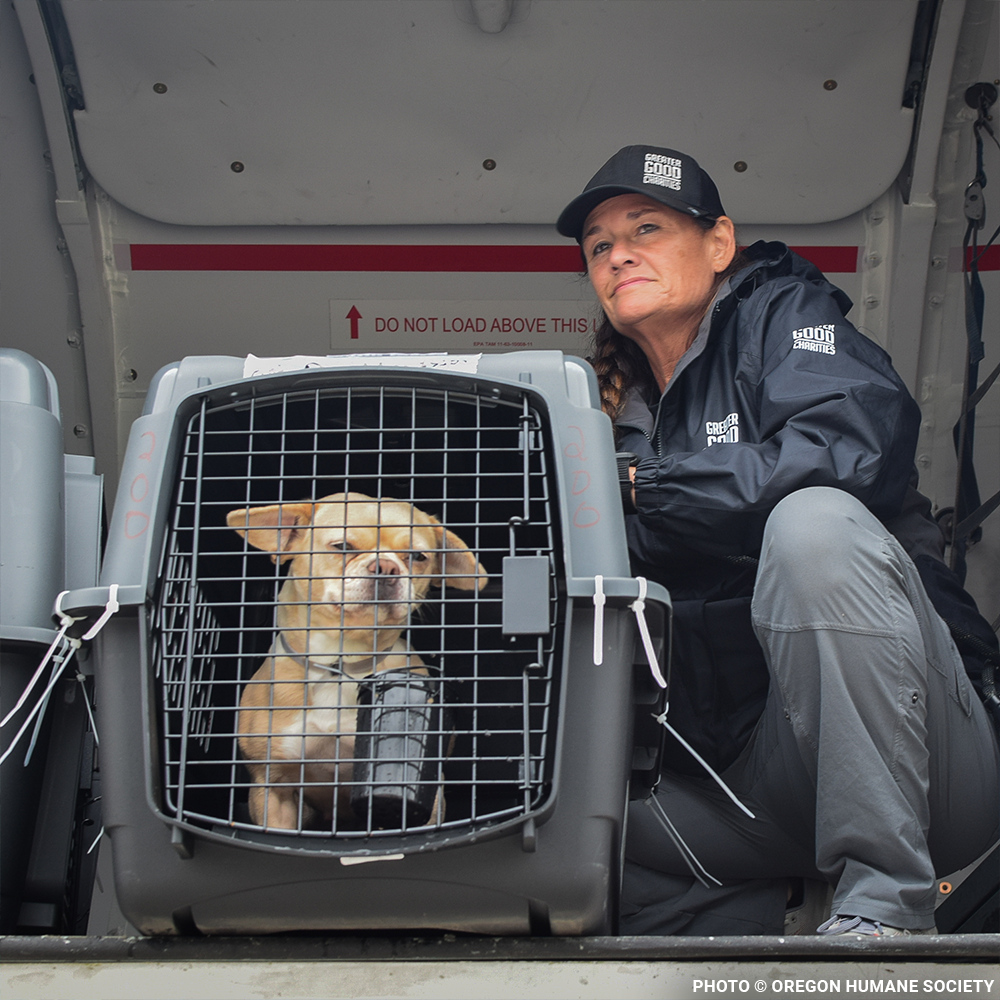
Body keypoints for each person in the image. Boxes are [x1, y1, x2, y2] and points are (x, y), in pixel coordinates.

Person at [556, 144, 1000, 936]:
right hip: (745, 795)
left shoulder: (785, 315)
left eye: (646, 228)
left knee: (813, 525)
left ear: (719, 243)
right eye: (599, 246)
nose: (618, 252)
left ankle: (887, 908)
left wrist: (641, 489)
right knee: (562, 805)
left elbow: (850, 450)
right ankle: (742, 931)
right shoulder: (594, 412)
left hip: (926, 774)